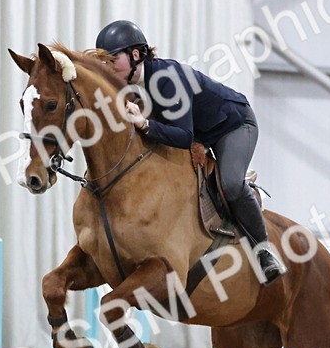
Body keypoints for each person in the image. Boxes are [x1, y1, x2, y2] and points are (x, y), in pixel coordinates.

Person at [95, 19, 286, 285]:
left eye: (112, 59)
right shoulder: (132, 85)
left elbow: (183, 137)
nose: (107, 67)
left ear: (135, 55)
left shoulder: (166, 79)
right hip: (204, 133)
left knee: (231, 184)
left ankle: (264, 250)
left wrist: (145, 124)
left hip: (234, 125)